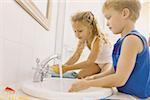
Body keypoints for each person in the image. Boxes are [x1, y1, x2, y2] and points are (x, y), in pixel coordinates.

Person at [68, 0, 150, 99]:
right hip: (126, 94)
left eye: (108, 17)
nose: (107, 24)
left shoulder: (131, 40)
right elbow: (112, 71)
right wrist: (91, 78)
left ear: (124, 13)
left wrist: (87, 84)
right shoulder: (121, 42)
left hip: (135, 97)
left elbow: (119, 79)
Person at [52, 11, 113, 79]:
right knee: (80, 75)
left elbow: (89, 62)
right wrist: (63, 67)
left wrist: (67, 68)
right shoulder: (83, 39)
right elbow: (76, 55)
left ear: (90, 28)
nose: (77, 34)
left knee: (101, 79)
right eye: (75, 31)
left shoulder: (98, 40)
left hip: (107, 63)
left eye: (80, 31)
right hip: (97, 64)